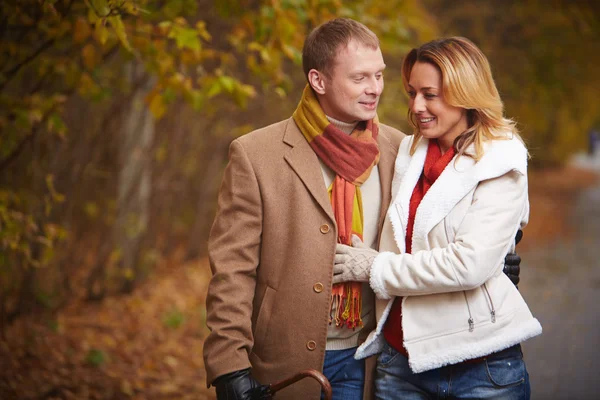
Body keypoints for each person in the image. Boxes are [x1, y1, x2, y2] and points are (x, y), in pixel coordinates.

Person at [203, 19, 523, 400]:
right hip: (289, 361)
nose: (374, 89)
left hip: (372, 357)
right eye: (359, 78)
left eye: (379, 76)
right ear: (319, 81)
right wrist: (229, 367)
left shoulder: (399, 149)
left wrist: (497, 261)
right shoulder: (257, 154)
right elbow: (232, 269)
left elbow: (433, 227)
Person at [333, 37, 542, 399]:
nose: (416, 106)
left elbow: (470, 264)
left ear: (466, 93)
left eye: (430, 95)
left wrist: (375, 268)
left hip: (479, 368)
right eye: (412, 92)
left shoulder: (501, 159)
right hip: (401, 363)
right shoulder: (410, 152)